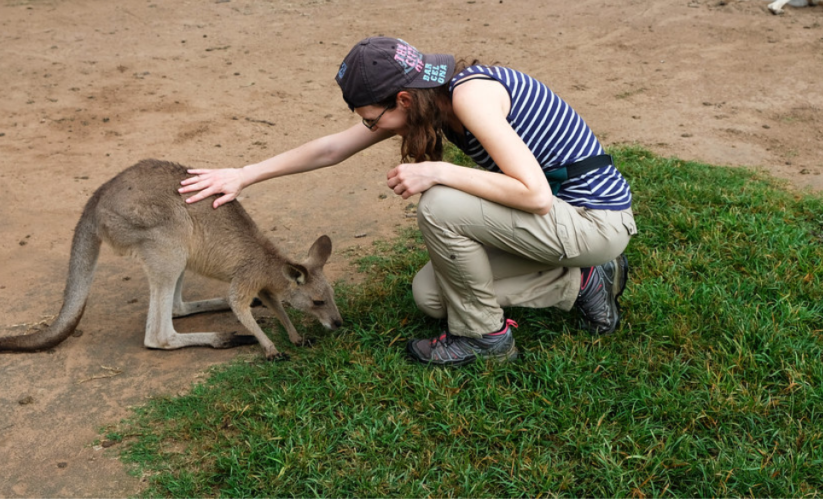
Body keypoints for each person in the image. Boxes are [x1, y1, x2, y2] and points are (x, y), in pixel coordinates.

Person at [179, 36, 637, 367]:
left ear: (401, 98)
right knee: (432, 295)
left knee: (439, 204)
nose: (372, 128)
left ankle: (484, 338)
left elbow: (535, 195)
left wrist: (438, 171)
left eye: (373, 120)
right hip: (560, 223)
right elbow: (332, 148)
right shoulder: (429, 98)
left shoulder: (472, 96)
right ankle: (584, 283)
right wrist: (246, 174)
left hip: (593, 221)